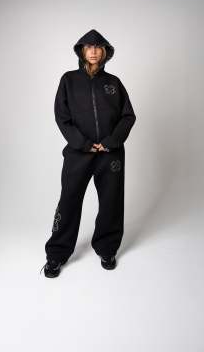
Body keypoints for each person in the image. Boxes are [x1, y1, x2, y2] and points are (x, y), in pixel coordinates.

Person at [40, 29, 136, 278]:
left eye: (98, 47)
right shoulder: (68, 80)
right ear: (82, 51)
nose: (93, 51)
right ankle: (56, 254)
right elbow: (62, 117)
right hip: (78, 153)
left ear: (105, 52)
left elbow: (128, 116)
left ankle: (107, 249)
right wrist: (82, 144)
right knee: (69, 201)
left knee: (111, 202)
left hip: (110, 154)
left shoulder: (114, 83)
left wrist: (110, 142)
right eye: (88, 47)